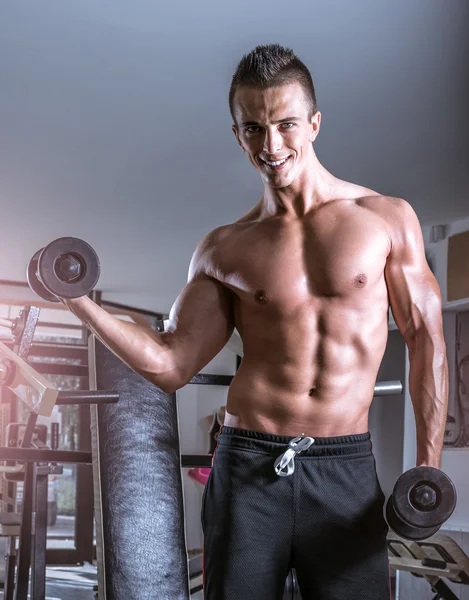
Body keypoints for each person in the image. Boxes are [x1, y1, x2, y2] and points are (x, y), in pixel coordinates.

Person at [63, 44, 448, 599]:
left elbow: (426, 342)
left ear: (314, 123)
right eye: (253, 129)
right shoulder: (224, 248)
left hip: (344, 469)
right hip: (248, 465)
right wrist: (79, 301)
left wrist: (427, 467)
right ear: (237, 133)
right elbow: (172, 365)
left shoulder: (385, 219)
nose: (271, 146)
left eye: (286, 124)